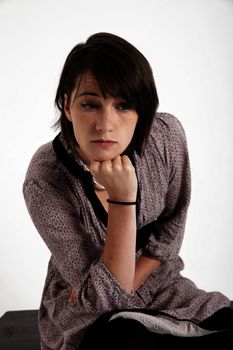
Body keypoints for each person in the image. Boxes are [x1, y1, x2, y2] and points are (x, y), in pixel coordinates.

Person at [23, 32, 233, 350]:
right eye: (91, 104)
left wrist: (123, 283)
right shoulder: (44, 180)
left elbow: (169, 235)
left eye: (123, 105)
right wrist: (123, 199)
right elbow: (102, 300)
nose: (106, 124)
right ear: (67, 105)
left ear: (142, 111)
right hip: (87, 312)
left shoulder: (166, 138)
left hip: (164, 287)